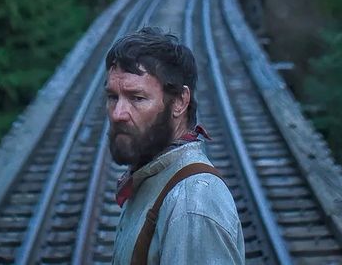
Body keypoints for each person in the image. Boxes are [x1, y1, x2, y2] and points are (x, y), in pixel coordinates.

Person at [104, 26, 246, 265]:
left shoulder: (192, 204)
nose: (118, 113)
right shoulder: (154, 177)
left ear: (180, 101)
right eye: (112, 97)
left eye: (137, 98)